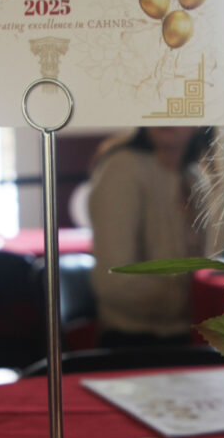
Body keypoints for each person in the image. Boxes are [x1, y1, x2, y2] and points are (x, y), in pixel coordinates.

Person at [87, 127, 214, 346]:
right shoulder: (122, 168)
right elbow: (114, 281)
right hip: (132, 341)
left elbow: (206, 263)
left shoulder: (195, 176)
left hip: (187, 334)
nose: (166, 116)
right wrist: (192, 300)